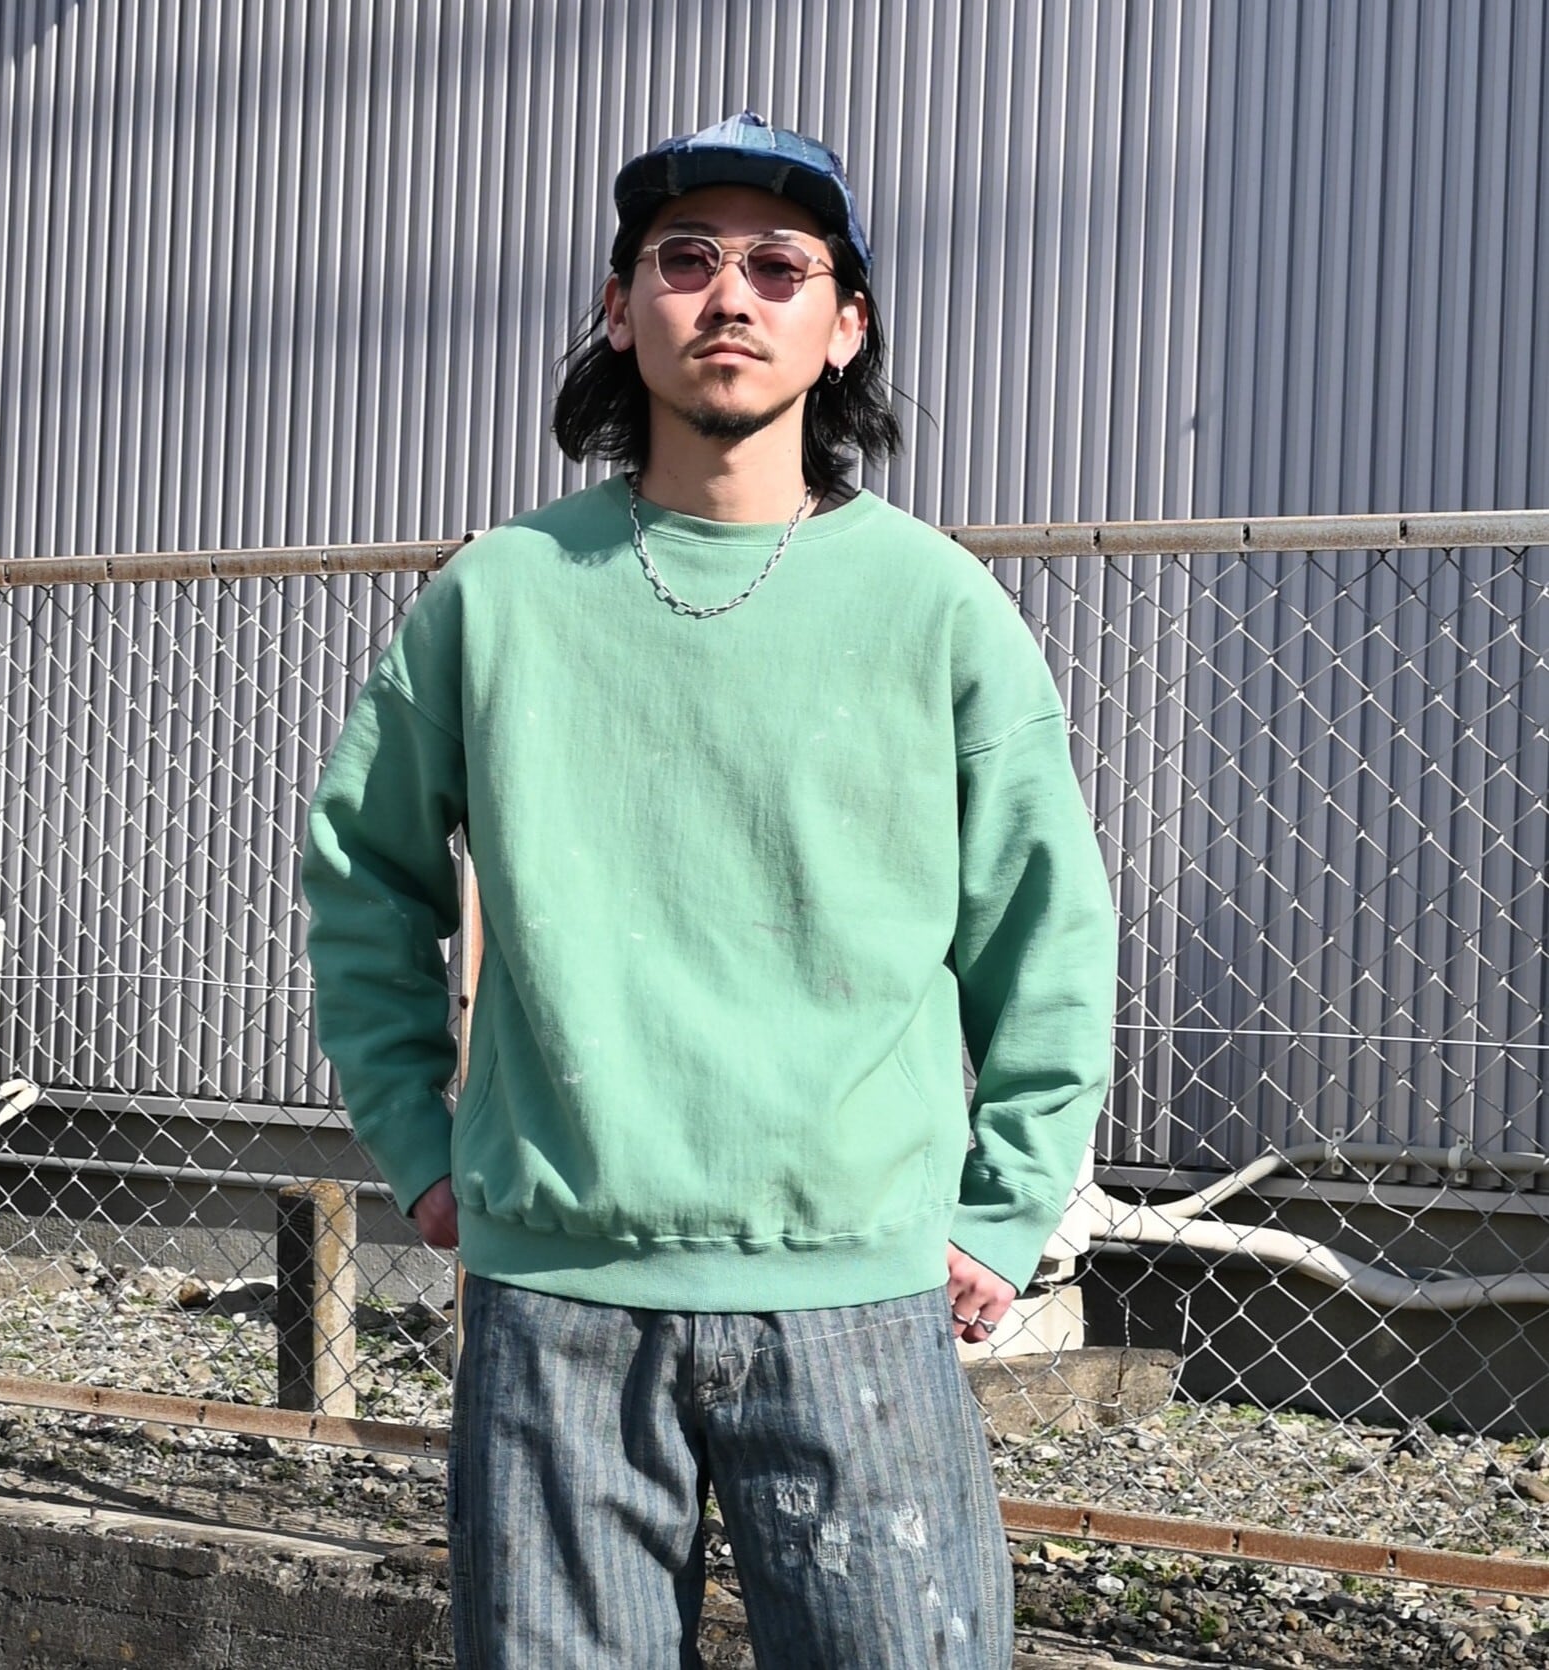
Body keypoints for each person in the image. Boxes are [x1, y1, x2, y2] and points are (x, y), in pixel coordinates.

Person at [302, 110, 1117, 1669]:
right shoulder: (498, 596)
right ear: (619, 309)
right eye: (683, 260)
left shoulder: (935, 605)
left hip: (859, 1289)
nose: (727, 294)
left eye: (776, 265)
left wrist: (1008, 1201)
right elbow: (364, 871)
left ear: (843, 324)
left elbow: (1044, 926)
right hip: (557, 1294)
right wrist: (415, 1134)